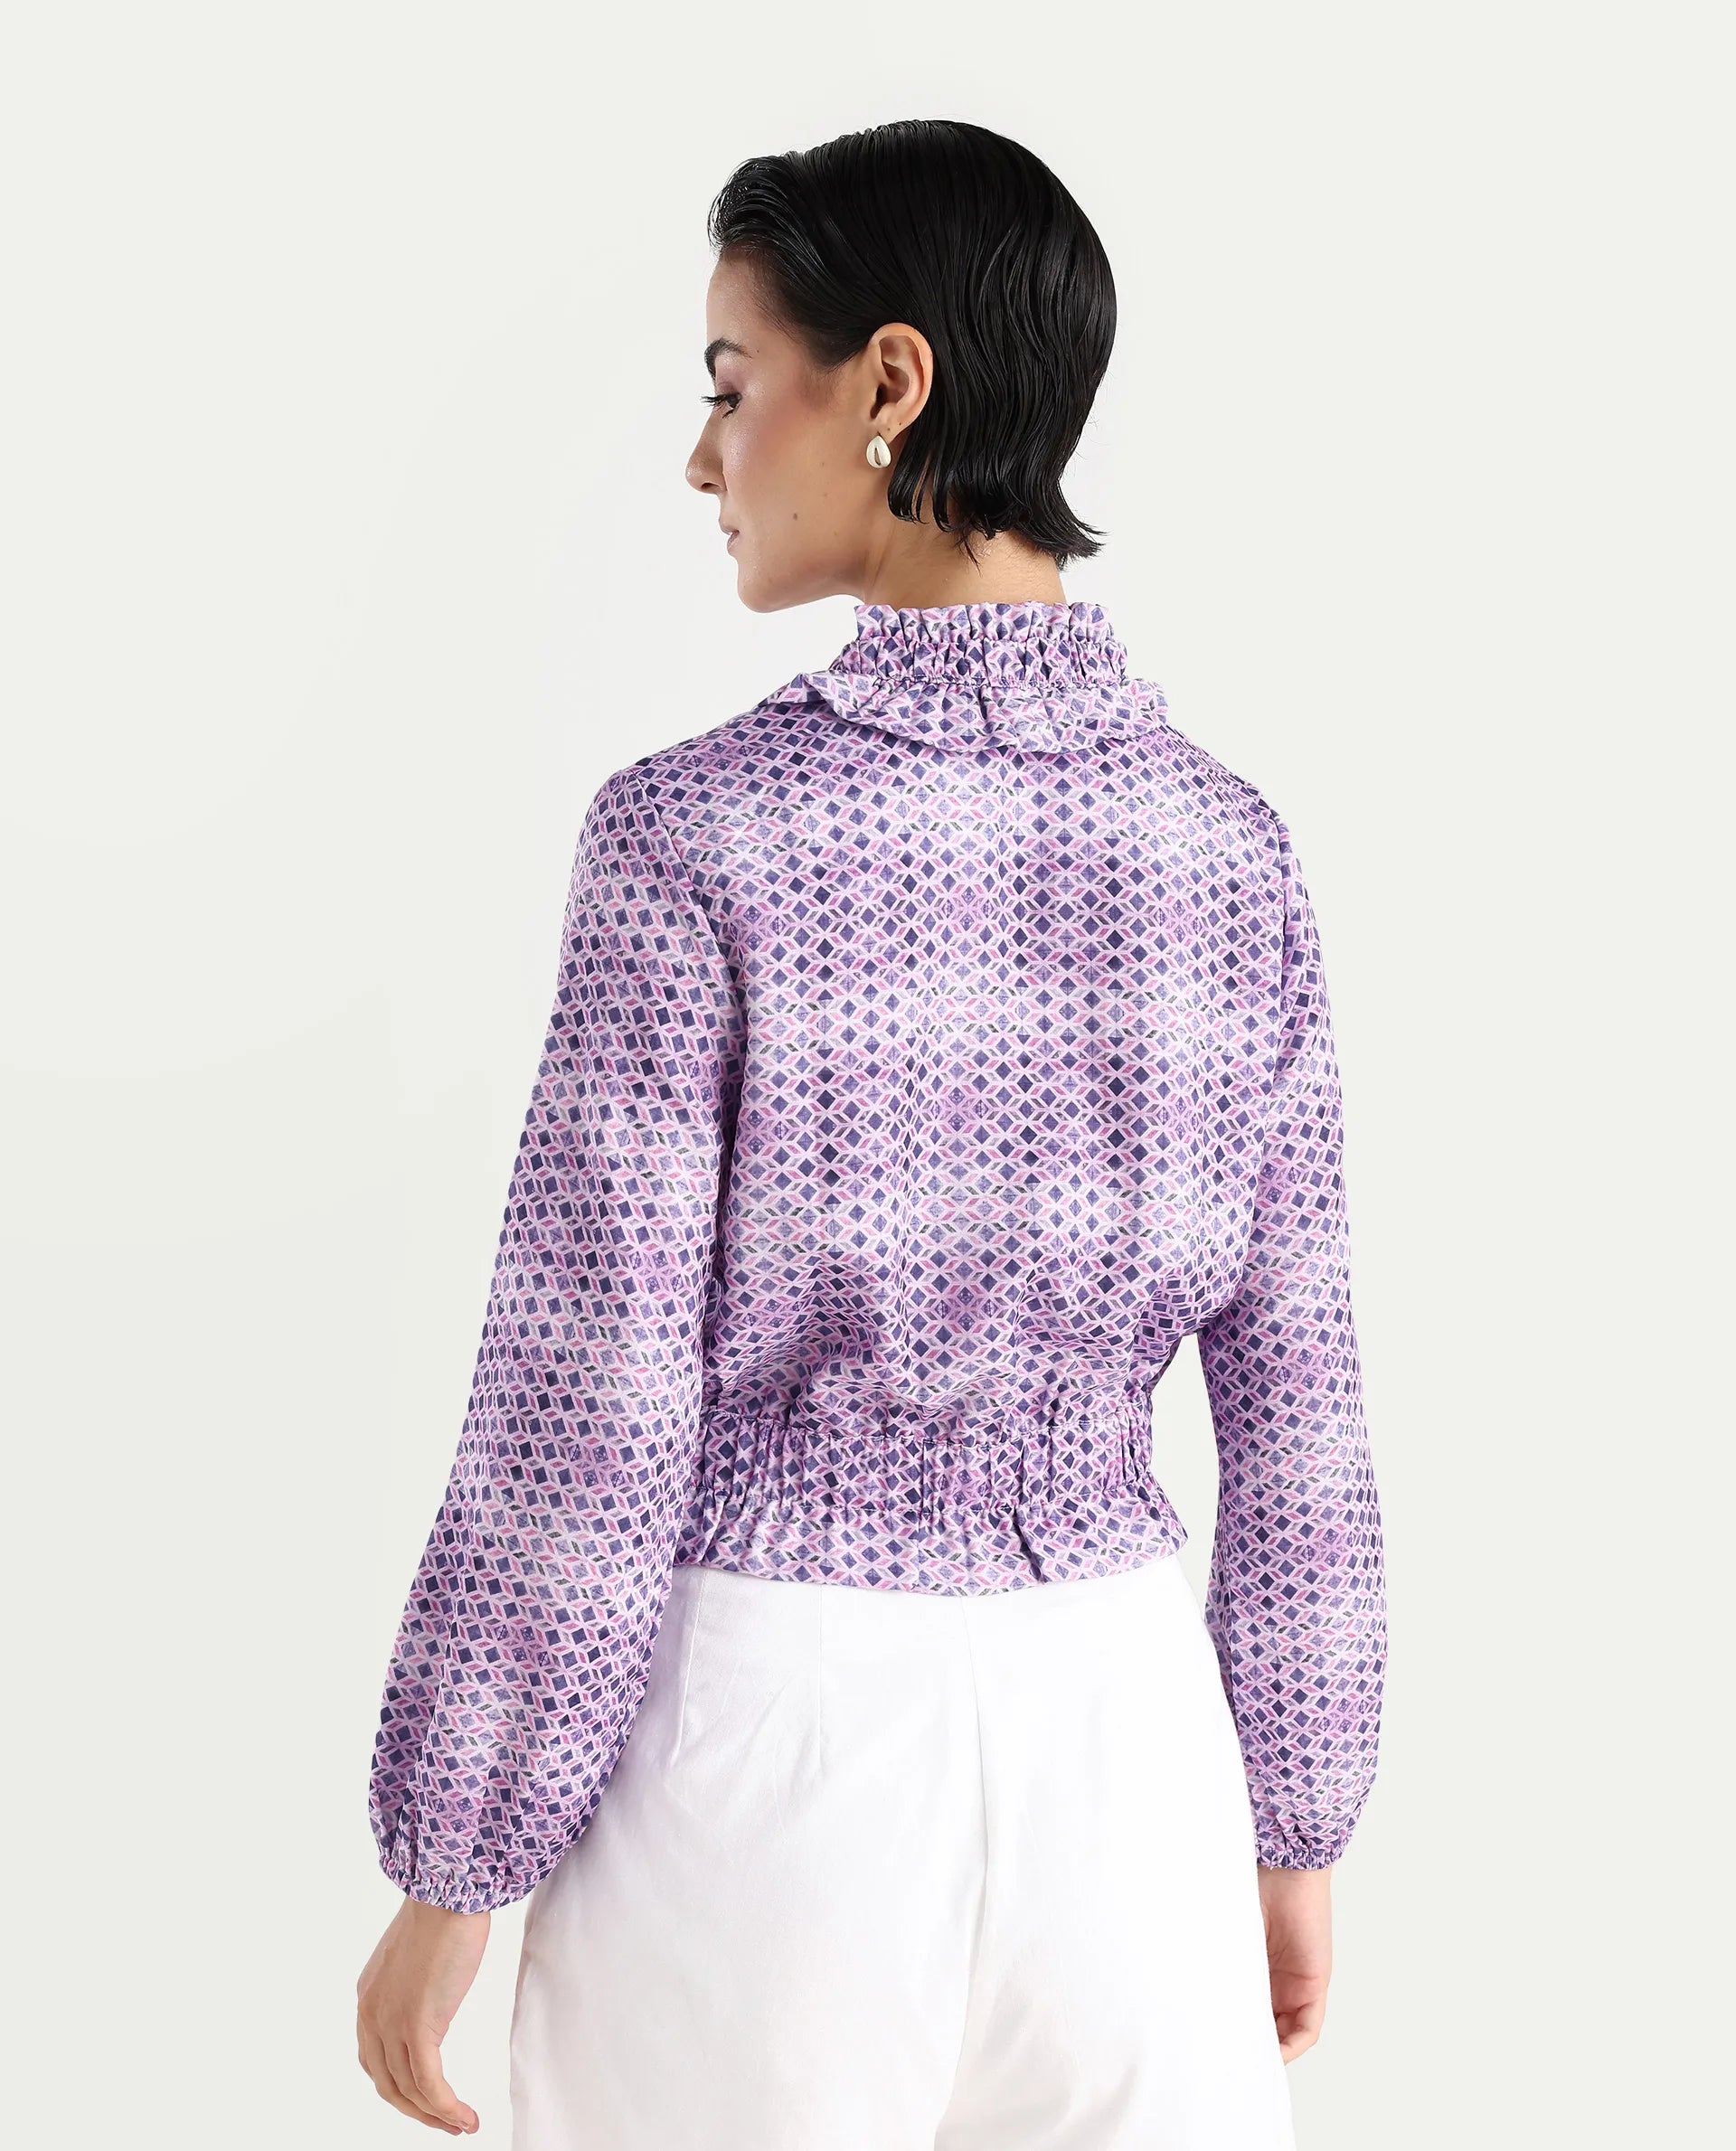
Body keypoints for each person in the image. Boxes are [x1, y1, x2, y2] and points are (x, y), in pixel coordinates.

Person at [355, 118, 1387, 2150]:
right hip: (1129, 1752)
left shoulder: (694, 838)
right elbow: (1304, 1408)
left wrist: (456, 1858)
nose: (702, 453)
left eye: (734, 381)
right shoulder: (1229, 850)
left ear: (890, 382)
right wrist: (1293, 1820)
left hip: (770, 1758)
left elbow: (587, 1398)